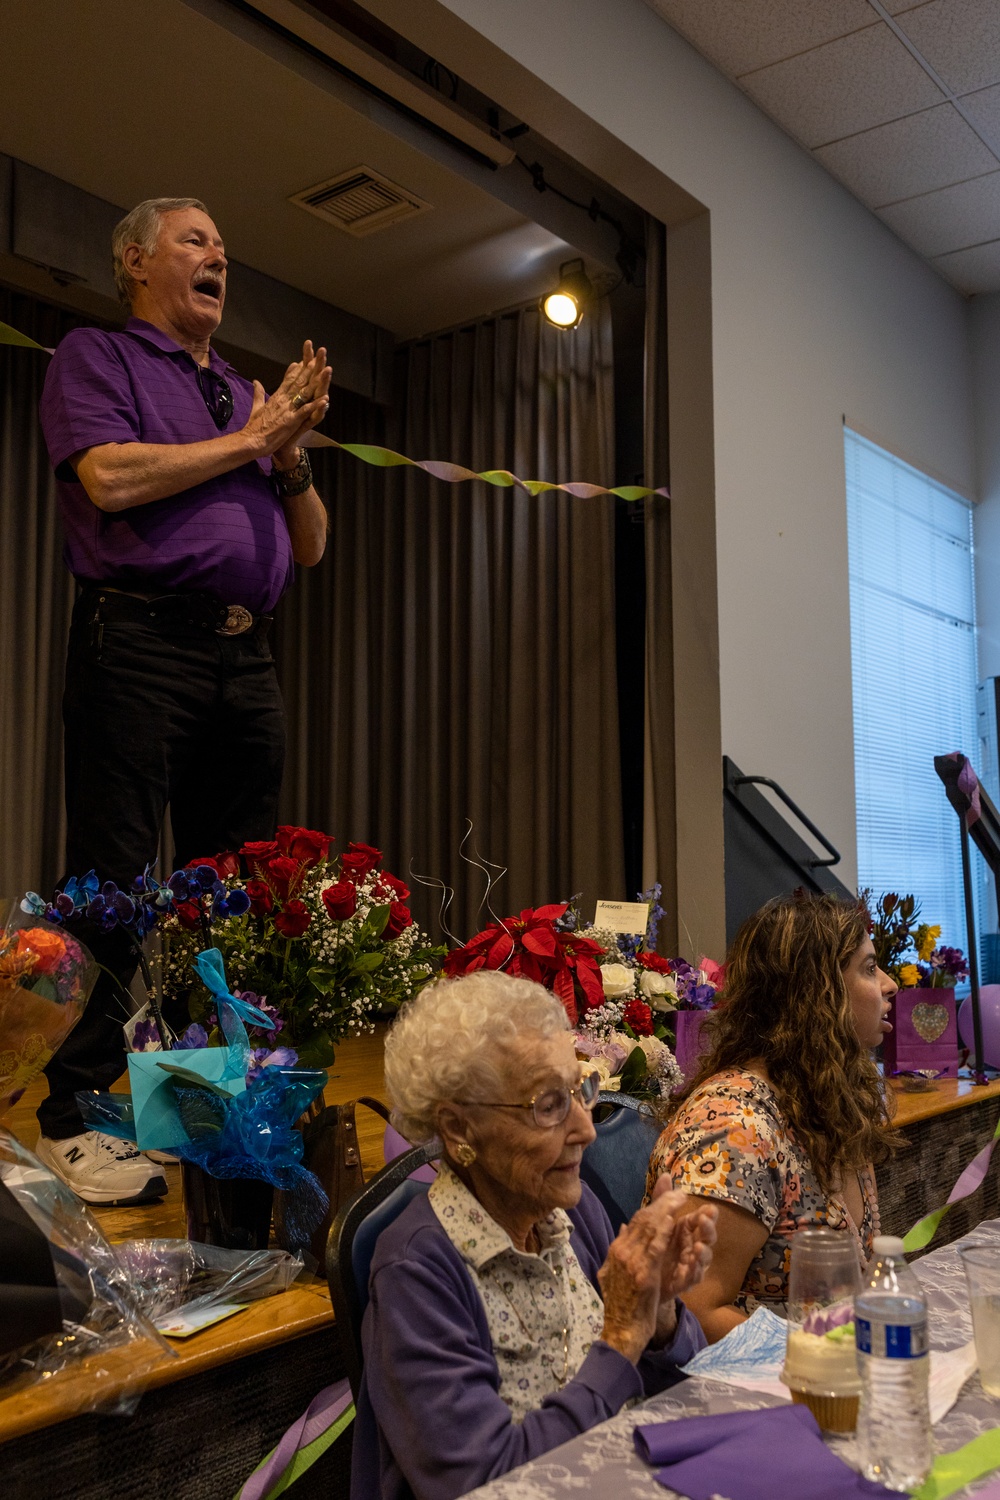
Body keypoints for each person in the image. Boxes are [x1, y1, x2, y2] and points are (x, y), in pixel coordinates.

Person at [34, 196, 331, 1205]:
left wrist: (285, 450)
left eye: (222, 243)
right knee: (117, 879)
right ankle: (69, 1109)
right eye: (196, 240)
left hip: (245, 662)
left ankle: (196, 1105)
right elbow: (110, 478)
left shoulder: (242, 394)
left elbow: (313, 544)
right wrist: (255, 438)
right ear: (134, 263)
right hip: (139, 645)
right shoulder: (97, 356)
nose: (220, 256)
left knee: (233, 897)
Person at [352, 970, 718, 1500]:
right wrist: (619, 1340)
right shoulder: (417, 1271)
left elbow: (680, 1400)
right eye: (548, 1106)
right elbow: (485, 1484)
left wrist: (658, 1319)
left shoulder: (573, 1214)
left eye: (582, 1090)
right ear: (458, 1130)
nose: (586, 1130)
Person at [643, 892, 898, 1342]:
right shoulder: (732, 1128)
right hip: (743, 1397)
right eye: (869, 967)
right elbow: (691, 1315)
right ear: (818, 992)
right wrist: (825, 1360)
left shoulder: (826, 1101)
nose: (891, 983)